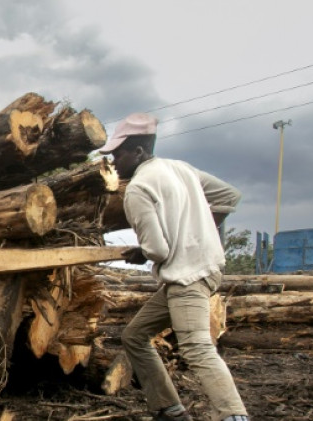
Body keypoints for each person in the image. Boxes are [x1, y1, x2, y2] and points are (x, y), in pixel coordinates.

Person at [99, 113, 249, 421]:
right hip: (202, 268)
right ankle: (169, 410)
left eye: (118, 153)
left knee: (196, 348)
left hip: (186, 278)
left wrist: (142, 253)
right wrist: (197, 230)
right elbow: (229, 196)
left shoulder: (138, 188)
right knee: (135, 335)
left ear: (139, 151)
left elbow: (158, 250)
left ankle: (234, 415)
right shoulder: (181, 169)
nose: (113, 161)